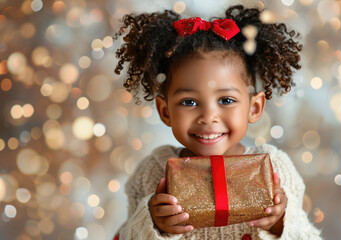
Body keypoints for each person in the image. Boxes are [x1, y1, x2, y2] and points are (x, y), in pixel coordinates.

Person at [113, 4, 322, 240]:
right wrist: (153, 225)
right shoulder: (152, 173)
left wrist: (280, 223)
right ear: (165, 111)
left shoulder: (277, 169)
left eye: (226, 99)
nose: (208, 116)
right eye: (189, 102)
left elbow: (308, 236)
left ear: (254, 108)